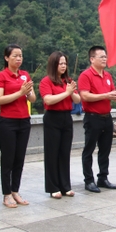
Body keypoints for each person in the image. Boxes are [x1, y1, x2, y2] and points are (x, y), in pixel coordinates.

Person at [0, 44, 36, 208]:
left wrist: (28, 92)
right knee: (8, 158)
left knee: (19, 158)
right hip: (8, 121)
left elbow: (32, 99)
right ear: (6, 58)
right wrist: (19, 92)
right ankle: (6, 194)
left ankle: (15, 190)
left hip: (24, 120)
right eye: (15, 56)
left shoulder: (25, 75)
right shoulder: (1, 76)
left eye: (20, 56)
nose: (18, 59)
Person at [79, 46, 116, 193]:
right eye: (101, 57)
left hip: (106, 117)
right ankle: (89, 180)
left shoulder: (108, 76)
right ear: (92, 59)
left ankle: (103, 177)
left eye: (105, 56)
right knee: (89, 150)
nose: (104, 59)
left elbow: (111, 93)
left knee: (105, 149)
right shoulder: (86, 75)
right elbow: (85, 96)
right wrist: (105, 96)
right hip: (92, 118)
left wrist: (114, 96)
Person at [39, 51, 80, 199]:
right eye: (60, 63)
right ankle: (53, 186)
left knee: (64, 153)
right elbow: (48, 100)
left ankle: (65, 185)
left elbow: (77, 100)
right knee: (52, 153)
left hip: (66, 118)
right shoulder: (46, 81)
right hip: (53, 118)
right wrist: (67, 92)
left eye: (65, 63)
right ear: (53, 64)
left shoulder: (67, 81)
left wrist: (72, 91)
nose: (63, 66)